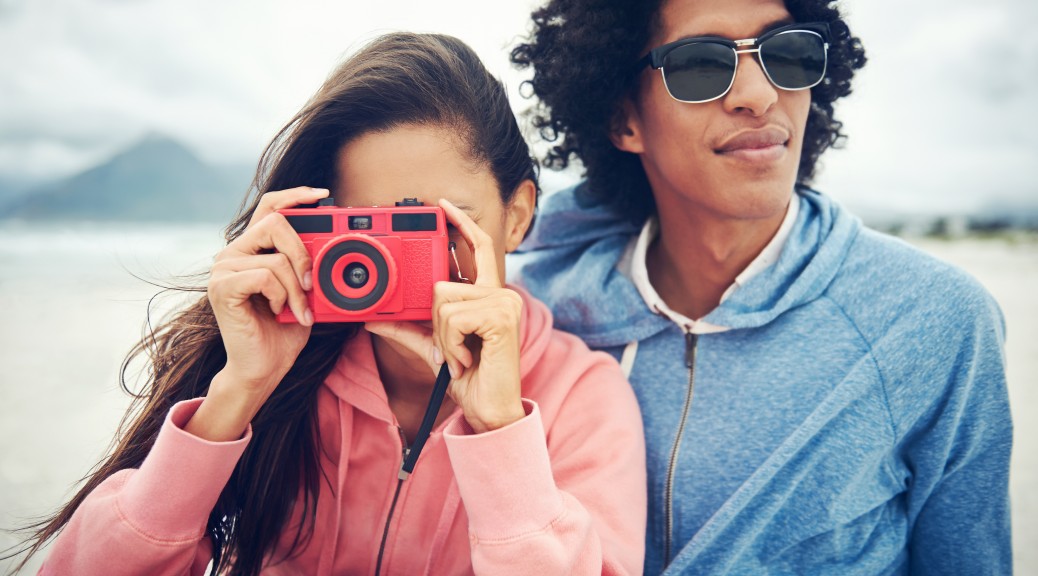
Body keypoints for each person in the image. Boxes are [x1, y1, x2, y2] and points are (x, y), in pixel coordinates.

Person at [10, 32, 647, 575]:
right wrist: (238, 391)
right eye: (368, 230)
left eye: (437, 225)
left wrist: (501, 430)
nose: (408, 263)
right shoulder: (291, 375)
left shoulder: (582, 397)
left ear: (517, 216)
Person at [509, 0, 1013, 574]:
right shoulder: (537, 319)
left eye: (786, 53)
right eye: (701, 64)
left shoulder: (933, 319)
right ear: (623, 120)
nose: (760, 94)